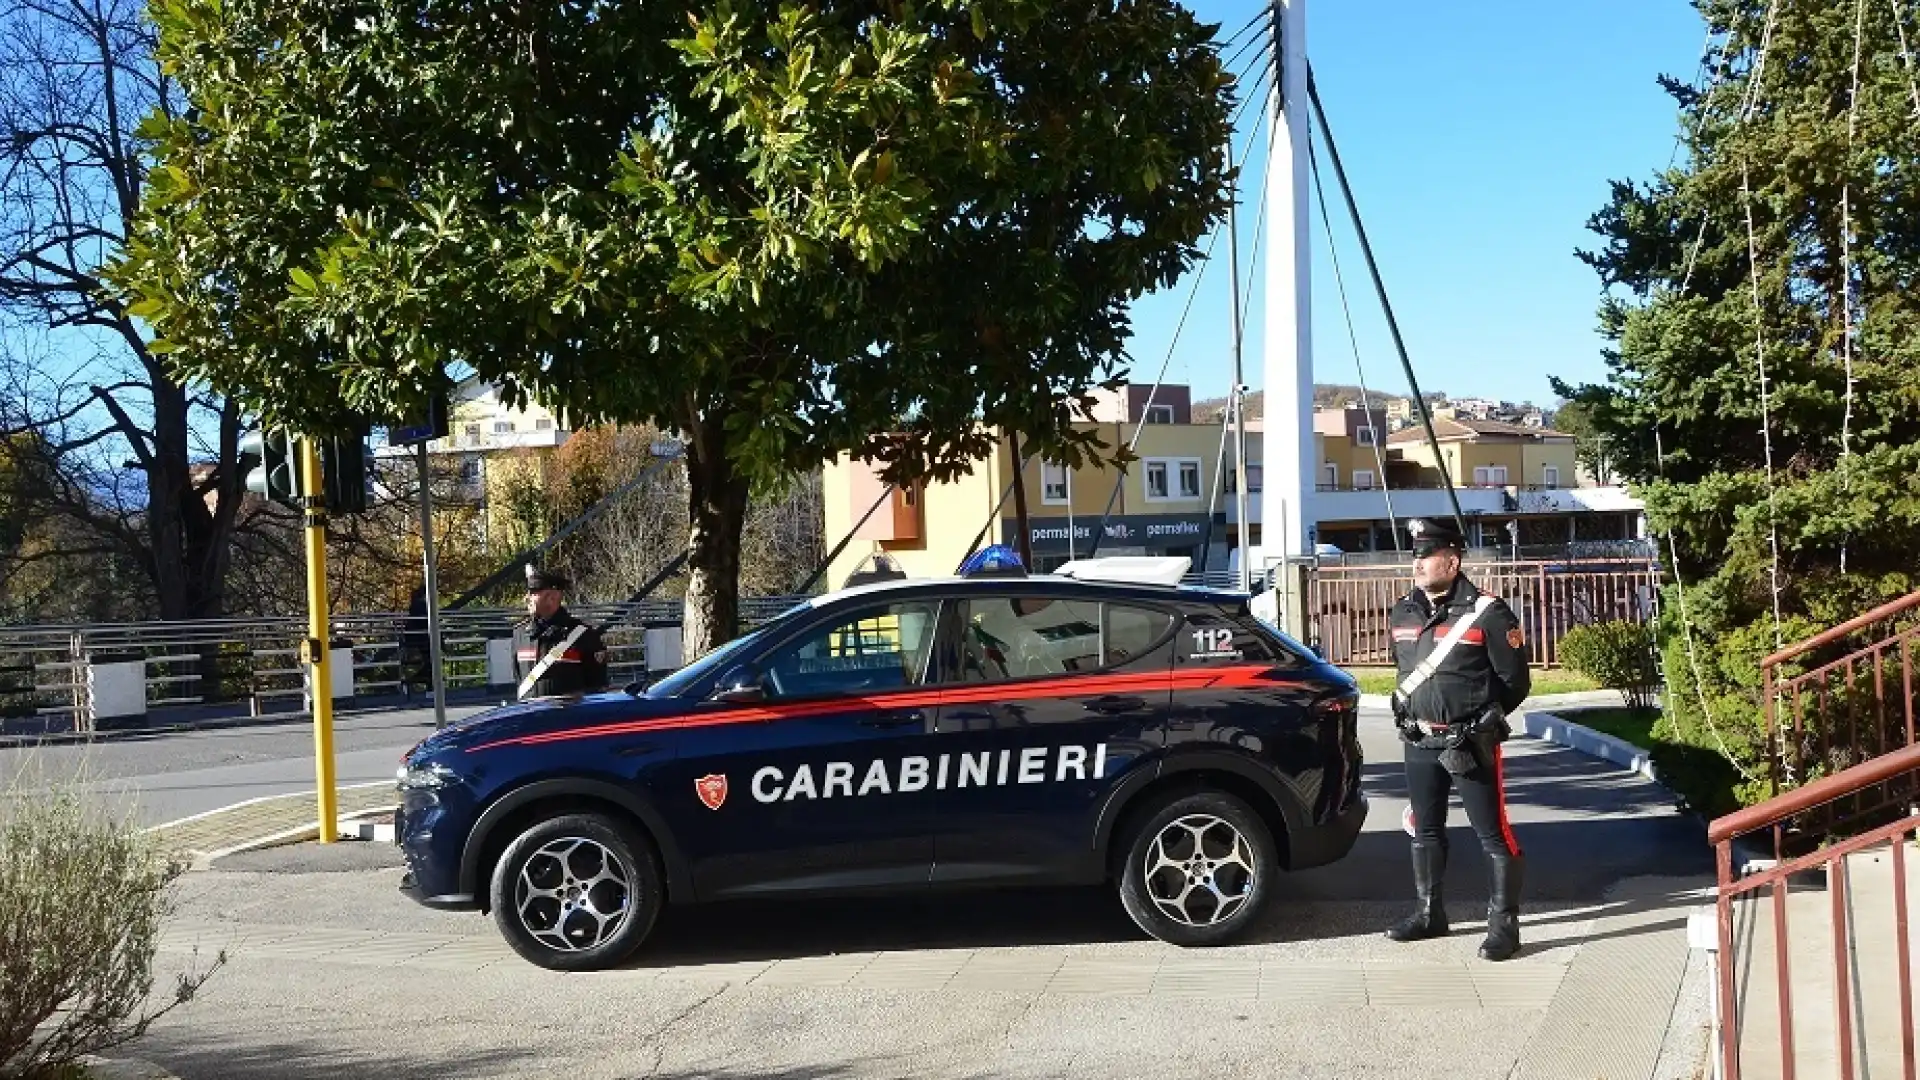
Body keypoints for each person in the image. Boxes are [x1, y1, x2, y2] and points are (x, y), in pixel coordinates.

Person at [1384, 518, 1532, 961]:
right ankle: (1430, 913)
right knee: (1425, 831)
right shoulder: (1404, 609)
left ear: (1451, 560)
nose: (1417, 564)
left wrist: (1485, 722)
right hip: (1420, 740)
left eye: (1425, 556)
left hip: (1468, 744)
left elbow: (1515, 681)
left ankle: (1503, 926)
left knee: (1492, 833)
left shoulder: (1489, 612)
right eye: (1414, 556)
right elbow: (1404, 669)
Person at [514, 564, 610, 699]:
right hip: (531, 717)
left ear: (552, 598)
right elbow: (519, 680)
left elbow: (597, 689)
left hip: (567, 718)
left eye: (533, 593)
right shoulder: (520, 633)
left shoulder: (583, 635)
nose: (526, 598)